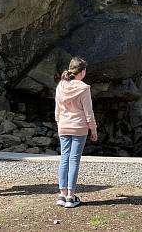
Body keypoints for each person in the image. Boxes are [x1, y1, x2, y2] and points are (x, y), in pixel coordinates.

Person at [54, 57, 98, 208]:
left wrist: (59, 122)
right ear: (83, 71)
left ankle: (62, 195)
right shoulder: (84, 88)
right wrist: (93, 129)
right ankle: (70, 197)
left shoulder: (61, 85)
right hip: (79, 127)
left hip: (63, 126)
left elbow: (57, 109)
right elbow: (88, 112)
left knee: (64, 158)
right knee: (74, 160)